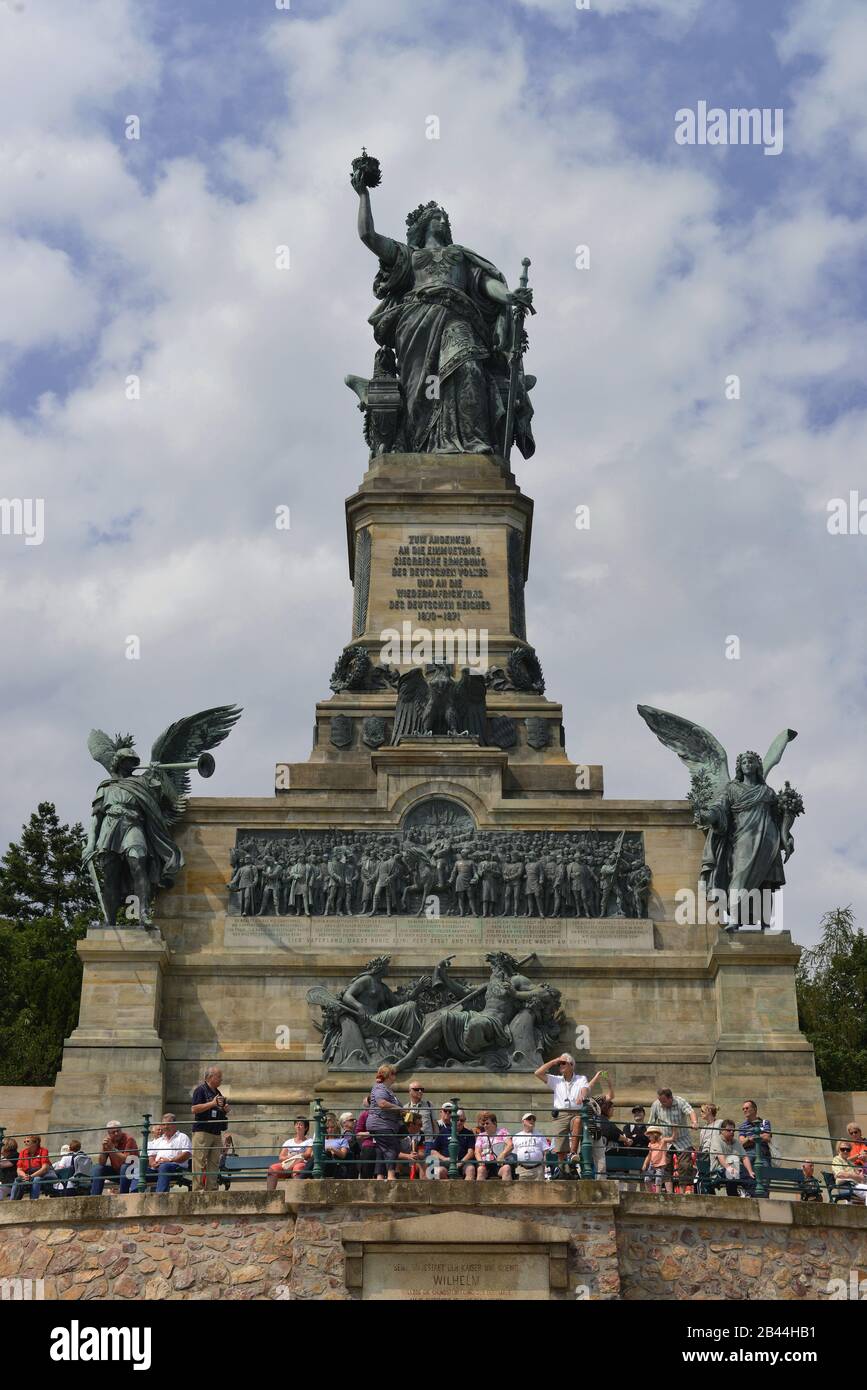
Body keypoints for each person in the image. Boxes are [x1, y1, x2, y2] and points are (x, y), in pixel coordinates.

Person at [533, 1053, 591, 1165]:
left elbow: (585, 1089)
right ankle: (562, 1167)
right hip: (560, 1114)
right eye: (559, 1064)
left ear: (571, 1065)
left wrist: (582, 1096)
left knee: (578, 1121)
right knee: (560, 1148)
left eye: (563, 1063)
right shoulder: (556, 1080)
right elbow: (538, 1073)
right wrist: (554, 1061)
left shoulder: (581, 1078)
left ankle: (573, 1153)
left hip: (576, 1112)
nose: (560, 1065)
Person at [123, 1113, 192, 1194]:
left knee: (164, 1166)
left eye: (168, 1124)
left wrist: (169, 1160)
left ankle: (160, 1195)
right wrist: (152, 1163)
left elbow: (186, 1154)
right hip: (157, 1169)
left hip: (175, 1168)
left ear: (174, 1125)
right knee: (140, 1169)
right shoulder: (159, 1140)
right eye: (163, 1124)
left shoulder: (182, 1137)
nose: (165, 1127)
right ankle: (134, 1194)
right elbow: (152, 1155)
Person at [190, 1065, 229, 1192]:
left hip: (216, 1132)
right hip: (202, 1131)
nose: (221, 1080)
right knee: (199, 1162)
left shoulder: (218, 1093)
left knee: (214, 1163)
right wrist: (212, 1103)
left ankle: (212, 1189)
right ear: (210, 1077)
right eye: (219, 1077)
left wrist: (224, 1109)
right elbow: (194, 1109)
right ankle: (198, 1190)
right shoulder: (200, 1090)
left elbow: (218, 1109)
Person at [366, 1064, 404, 1180]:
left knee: (382, 1149)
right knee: (392, 1147)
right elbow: (382, 1103)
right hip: (380, 1123)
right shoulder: (380, 1088)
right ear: (388, 1075)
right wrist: (399, 1109)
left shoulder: (388, 1090)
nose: (395, 1076)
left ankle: (380, 1176)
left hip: (387, 1124)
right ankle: (391, 1175)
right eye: (393, 1073)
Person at [648, 1088, 697, 1165]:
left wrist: (694, 1122)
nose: (661, 1103)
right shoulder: (656, 1104)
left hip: (682, 1140)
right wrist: (654, 1137)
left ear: (671, 1098)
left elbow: (690, 1111)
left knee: (685, 1165)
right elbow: (651, 1123)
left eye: (664, 1101)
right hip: (665, 1141)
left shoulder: (680, 1101)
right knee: (665, 1167)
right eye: (660, 1101)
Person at [89, 1121, 139, 1196]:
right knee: (97, 1168)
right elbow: (101, 1163)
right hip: (117, 1171)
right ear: (109, 1133)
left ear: (121, 1130)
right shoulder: (108, 1141)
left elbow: (127, 1160)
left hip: (131, 1172)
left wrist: (112, 1149)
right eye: (113, 1132)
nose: (116, 1133)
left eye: (118, 1131)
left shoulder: (129, 1139)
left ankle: (123, 1196)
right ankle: (94, 1196)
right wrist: (104, 1149)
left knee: (124, 1167)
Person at [709, 1119, 755, 1196]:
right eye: (729, 1130)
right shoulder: (716, 1140)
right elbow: (720, 1157)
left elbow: (744, 1157)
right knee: (732, 1175)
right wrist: (729, 1168)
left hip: (736, 1170)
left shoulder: (736, 1142)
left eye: (733, 1131)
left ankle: (754, 1198)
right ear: (722, 1130)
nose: (732, 1132)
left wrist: (750, 1172)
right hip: (719, 1171)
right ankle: (734, 1199)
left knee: (751, 1180)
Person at [429, 1109, 476, 1180]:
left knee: (471, 1169)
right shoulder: (443, 1132)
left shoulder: (469, 1133)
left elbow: (471, 1152)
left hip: (463, 1163)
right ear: (451, 1119)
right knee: (438, 1171)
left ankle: (465, 1191)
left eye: (462, 1120)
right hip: (446, 1163)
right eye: (457, 1120)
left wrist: (461, 1162)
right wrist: (444, 1159)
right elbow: (433, 1151)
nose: (459, 1122)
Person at [266, 1118, 314, 1189]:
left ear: (306, 1128)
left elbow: (308, 1154)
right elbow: (281, 1157)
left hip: (301, 1163)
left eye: (300, 1125)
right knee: (272, 1169)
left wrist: (296, 1156)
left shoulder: (309, 1141)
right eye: (297, 1124)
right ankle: (270, 1194)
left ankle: (297, 1194)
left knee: (297, 1167)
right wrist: (290, 1157)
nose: (298, 1126)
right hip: (288, 1164)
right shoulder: (289, 1142)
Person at [738, 1100, 774, 1194]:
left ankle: (764, 1198)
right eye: (743, 1109)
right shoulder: (743, 1125)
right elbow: (741, 1142)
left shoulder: (764, 1122)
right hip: (748, 1154)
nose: (744, 1110)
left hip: (763, 1154)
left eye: (747, 1108)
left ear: (754, 1109)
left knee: (765, 1179)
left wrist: (750, 1139)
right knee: (746, 1177)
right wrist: (754, 1138)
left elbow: (767, 1137)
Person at [10, 1134, 54, 1200]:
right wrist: (25, 1176)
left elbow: (44, 1168)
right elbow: (19, 1169)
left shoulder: (43, 1151)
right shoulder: (22, 1152)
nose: (25, 1143)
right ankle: (12, 1201)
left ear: (36, 1142)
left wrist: (31, 1176)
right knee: (17, 1180)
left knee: (37, 1179)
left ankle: (33, 1201)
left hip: (41, 1175)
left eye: (27, 1141)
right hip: (27, 1175)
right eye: (24, 1142)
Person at [474, 1111, 513, 1182]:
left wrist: (502, 1154)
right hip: (486, 1163)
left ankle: (507, 1192)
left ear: (494, 1123)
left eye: (487, 1123)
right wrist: (480, 1160)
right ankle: (479, 1192)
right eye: (483, 1124)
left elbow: (510, 1145)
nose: (485, 1125)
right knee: (480, 1170)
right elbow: (477, 1151)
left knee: (507, 1168)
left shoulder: (502, 1132)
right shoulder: (481, 1136)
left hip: (499, 1163)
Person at [511, 1113, 550, 1181]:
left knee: (539, 1191)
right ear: (523, 1122)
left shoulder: (540, 1135)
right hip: (522, 1170)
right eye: (529, 1119)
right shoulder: (516, 1136)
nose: (532, 1120)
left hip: (538, 1170)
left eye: (533, 1119)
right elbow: (514, 1154)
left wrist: (545, 1169)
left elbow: (545, 1152)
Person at [641, 1126, 674, 1194]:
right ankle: (649, 1193)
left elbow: (672, 1138)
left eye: (649, 1136)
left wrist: (674, 1130)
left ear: (655, 1135)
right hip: (652, 1164)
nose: (648, 1137)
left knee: (658, 1179)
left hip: (660, 1165)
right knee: (647, 1179)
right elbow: (649, 1155)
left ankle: (657, 1194)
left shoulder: (663, 1141)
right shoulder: (651, 1144)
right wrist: (645, 1164)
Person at [406, 1082, 437, 1153]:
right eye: (417, 1089)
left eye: (421, 1089)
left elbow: (434, 1123)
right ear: (410, 1091)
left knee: (425, 1162)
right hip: (410, 1141)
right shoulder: (406, 1107)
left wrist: (435, 1139)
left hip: (427, 1141)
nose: (420, 1091)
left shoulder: (429, 1105)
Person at [397, 1113, 426, 1179]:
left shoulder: (421, 1134)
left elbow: (422, 1153)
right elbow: (394, 1152)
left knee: (423, 1163)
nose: (421, 1127)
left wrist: (417, 1155)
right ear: (411, 1125)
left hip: (413, 1160)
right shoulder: (400, 1132)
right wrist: (408, 1156)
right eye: (419, 1125)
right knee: (394, 1162)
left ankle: (423, 1187)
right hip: (400, 1159)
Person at [354, 1095, 376, 1179]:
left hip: (383, 1145)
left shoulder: (385, 1115)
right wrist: (371, 1133)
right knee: (367, 1172)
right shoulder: (365, 1115)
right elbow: (358, 1135)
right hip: (369, 1145)